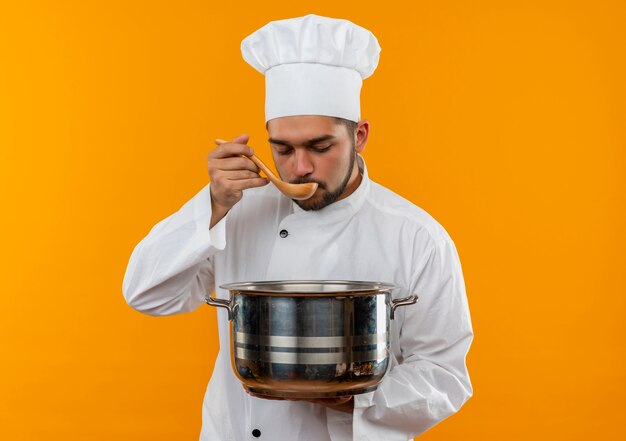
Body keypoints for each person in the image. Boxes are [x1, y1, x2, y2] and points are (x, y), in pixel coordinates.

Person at [123, 14, 473, 441]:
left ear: (359, 136)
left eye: (320, 146)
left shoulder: (417, 237)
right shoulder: (236, 211)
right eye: (282, 149)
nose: (301, 167)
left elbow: (444, 375)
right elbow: (146, 294)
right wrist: (210, 206)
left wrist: (357, 398)